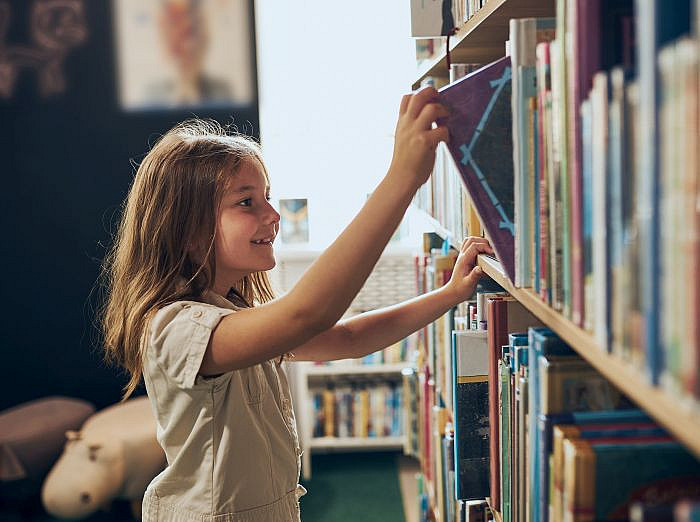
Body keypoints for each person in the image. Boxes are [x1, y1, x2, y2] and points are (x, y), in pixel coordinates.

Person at [100, 85, 493, 522]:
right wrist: (401, 178)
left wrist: (449, 295)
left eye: (267, 196)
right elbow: (308, 313)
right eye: (246, 202)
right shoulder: (175, 327)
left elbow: (348, 337)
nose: (273, 214)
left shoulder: (235, 316)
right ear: (188, 233)